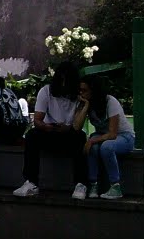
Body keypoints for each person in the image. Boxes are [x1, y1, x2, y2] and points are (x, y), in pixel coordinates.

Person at [13, 61, 88, 198]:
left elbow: (78, 126)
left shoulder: (78, 97)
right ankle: (31, 182)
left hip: (69, 134)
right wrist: (47, 127)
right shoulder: (46, 91)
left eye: (67, 81)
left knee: (80, 137)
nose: (64, 85)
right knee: (32, 135)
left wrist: (68, 127)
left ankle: (81, 183)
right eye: (61, 80)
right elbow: (37, 120)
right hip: (49, 132)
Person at [72, 75, 135, 200]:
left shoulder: (110, 102)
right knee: (93, 148)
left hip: (124, 137)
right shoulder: (87, 104)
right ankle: (93, 184)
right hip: (102, 135)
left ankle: (115, 186)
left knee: (106, 147)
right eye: (80, 90)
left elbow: (112, 134)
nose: (81, 93)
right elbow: (76, 127)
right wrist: (85, 107)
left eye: (84, 90)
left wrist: (92, 140)